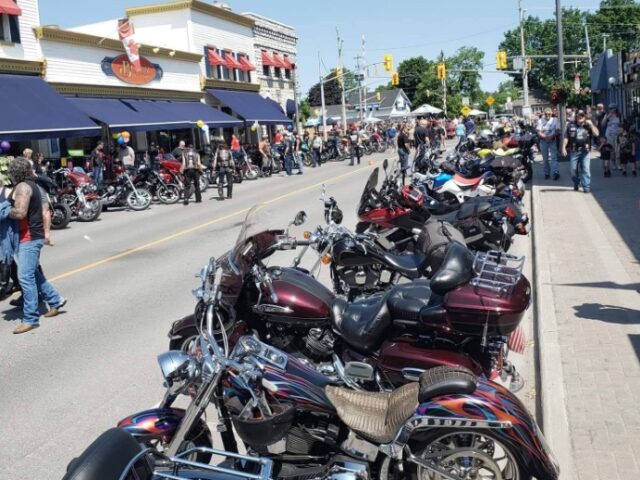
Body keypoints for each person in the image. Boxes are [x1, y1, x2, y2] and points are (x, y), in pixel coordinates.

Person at [6, 157, 65, 334]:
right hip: (29, 236)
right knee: (33, 273)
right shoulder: (32, 185)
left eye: (10, 170)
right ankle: (55, 300)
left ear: (15, 171)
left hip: (29, 237)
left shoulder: (23, 187)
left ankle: (30, 318)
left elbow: (20, 212)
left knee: (25, 277)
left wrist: (4, 210)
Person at [561, 110, 599, 193]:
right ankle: (576, 182)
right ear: (576, 116)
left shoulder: (588, 126)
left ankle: (586, 186)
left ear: (585, 117)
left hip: (585, 151)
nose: (580, 117)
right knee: (573, 171)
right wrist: (563, 147)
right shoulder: (571, 125)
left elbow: (596, 134)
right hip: (574, 151)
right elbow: (566, 137)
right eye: (578, 115)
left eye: (582, 115)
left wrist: (591, 124)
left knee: (586, 169)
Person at [537, 108, 561, 180]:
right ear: (544, 114)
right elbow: (538, 131)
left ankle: (555, 172)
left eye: (549, 114)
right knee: (545, 159)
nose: (547, 115)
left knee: (554, 157)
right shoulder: (540, 120)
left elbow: (557, 130)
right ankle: (547, 173)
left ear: (551, 114)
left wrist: (551, 136)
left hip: (552, 140)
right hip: (543, 141)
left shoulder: (555, 120)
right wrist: (545, 136)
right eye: (546, 114)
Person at [602, 104, 622, 171]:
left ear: (615, 108)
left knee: (618, 151)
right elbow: (602, 124)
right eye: (610, 108)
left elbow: (622, 124)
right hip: (609, 135)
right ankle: (613, 164)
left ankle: (619, 164)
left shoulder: (619, 115)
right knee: (611, 151)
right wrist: (607, 117)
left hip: (618, 135)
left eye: (612, 108)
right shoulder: (607, 115)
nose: (611, 110)